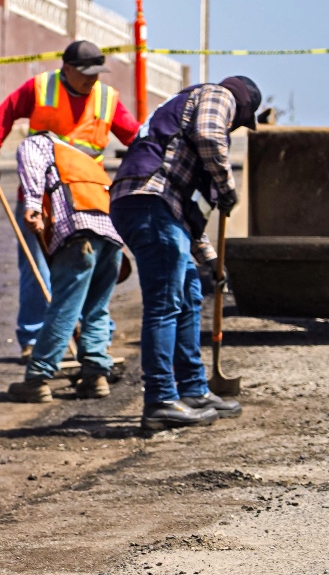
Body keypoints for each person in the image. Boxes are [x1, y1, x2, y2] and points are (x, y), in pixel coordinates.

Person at [110, 76, 260, 431]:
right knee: (165, 301)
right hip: (149, 202)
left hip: (158, 206)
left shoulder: (182, 128)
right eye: (240, 121)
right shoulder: (217, 96)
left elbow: (188, 214)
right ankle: (160, 399)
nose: (235, 127)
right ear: (241, 106)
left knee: (190, 292)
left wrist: (212, 261)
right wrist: (227, 188)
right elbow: (210, 136)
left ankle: (193, 390)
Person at [0, 40, 139, 362]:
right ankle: (35, 339)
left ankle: (94, 340)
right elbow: (4, 114)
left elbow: (135, 138)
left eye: (96, 73)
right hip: (45, 198)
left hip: (86, 197)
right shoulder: (41, 88)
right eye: (85, 73)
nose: (92, 79)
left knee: (91, 267)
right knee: (36, 265)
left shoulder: (107, 99)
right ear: (66, 68)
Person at [7, 133, 122, 403]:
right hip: (112, 236)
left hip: (79, 235)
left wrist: (33, 206)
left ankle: (38, 377)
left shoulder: (37, 143)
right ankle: (95, 376)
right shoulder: (80, 158)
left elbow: (32, 170)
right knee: (97, 308)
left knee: (64, 307)